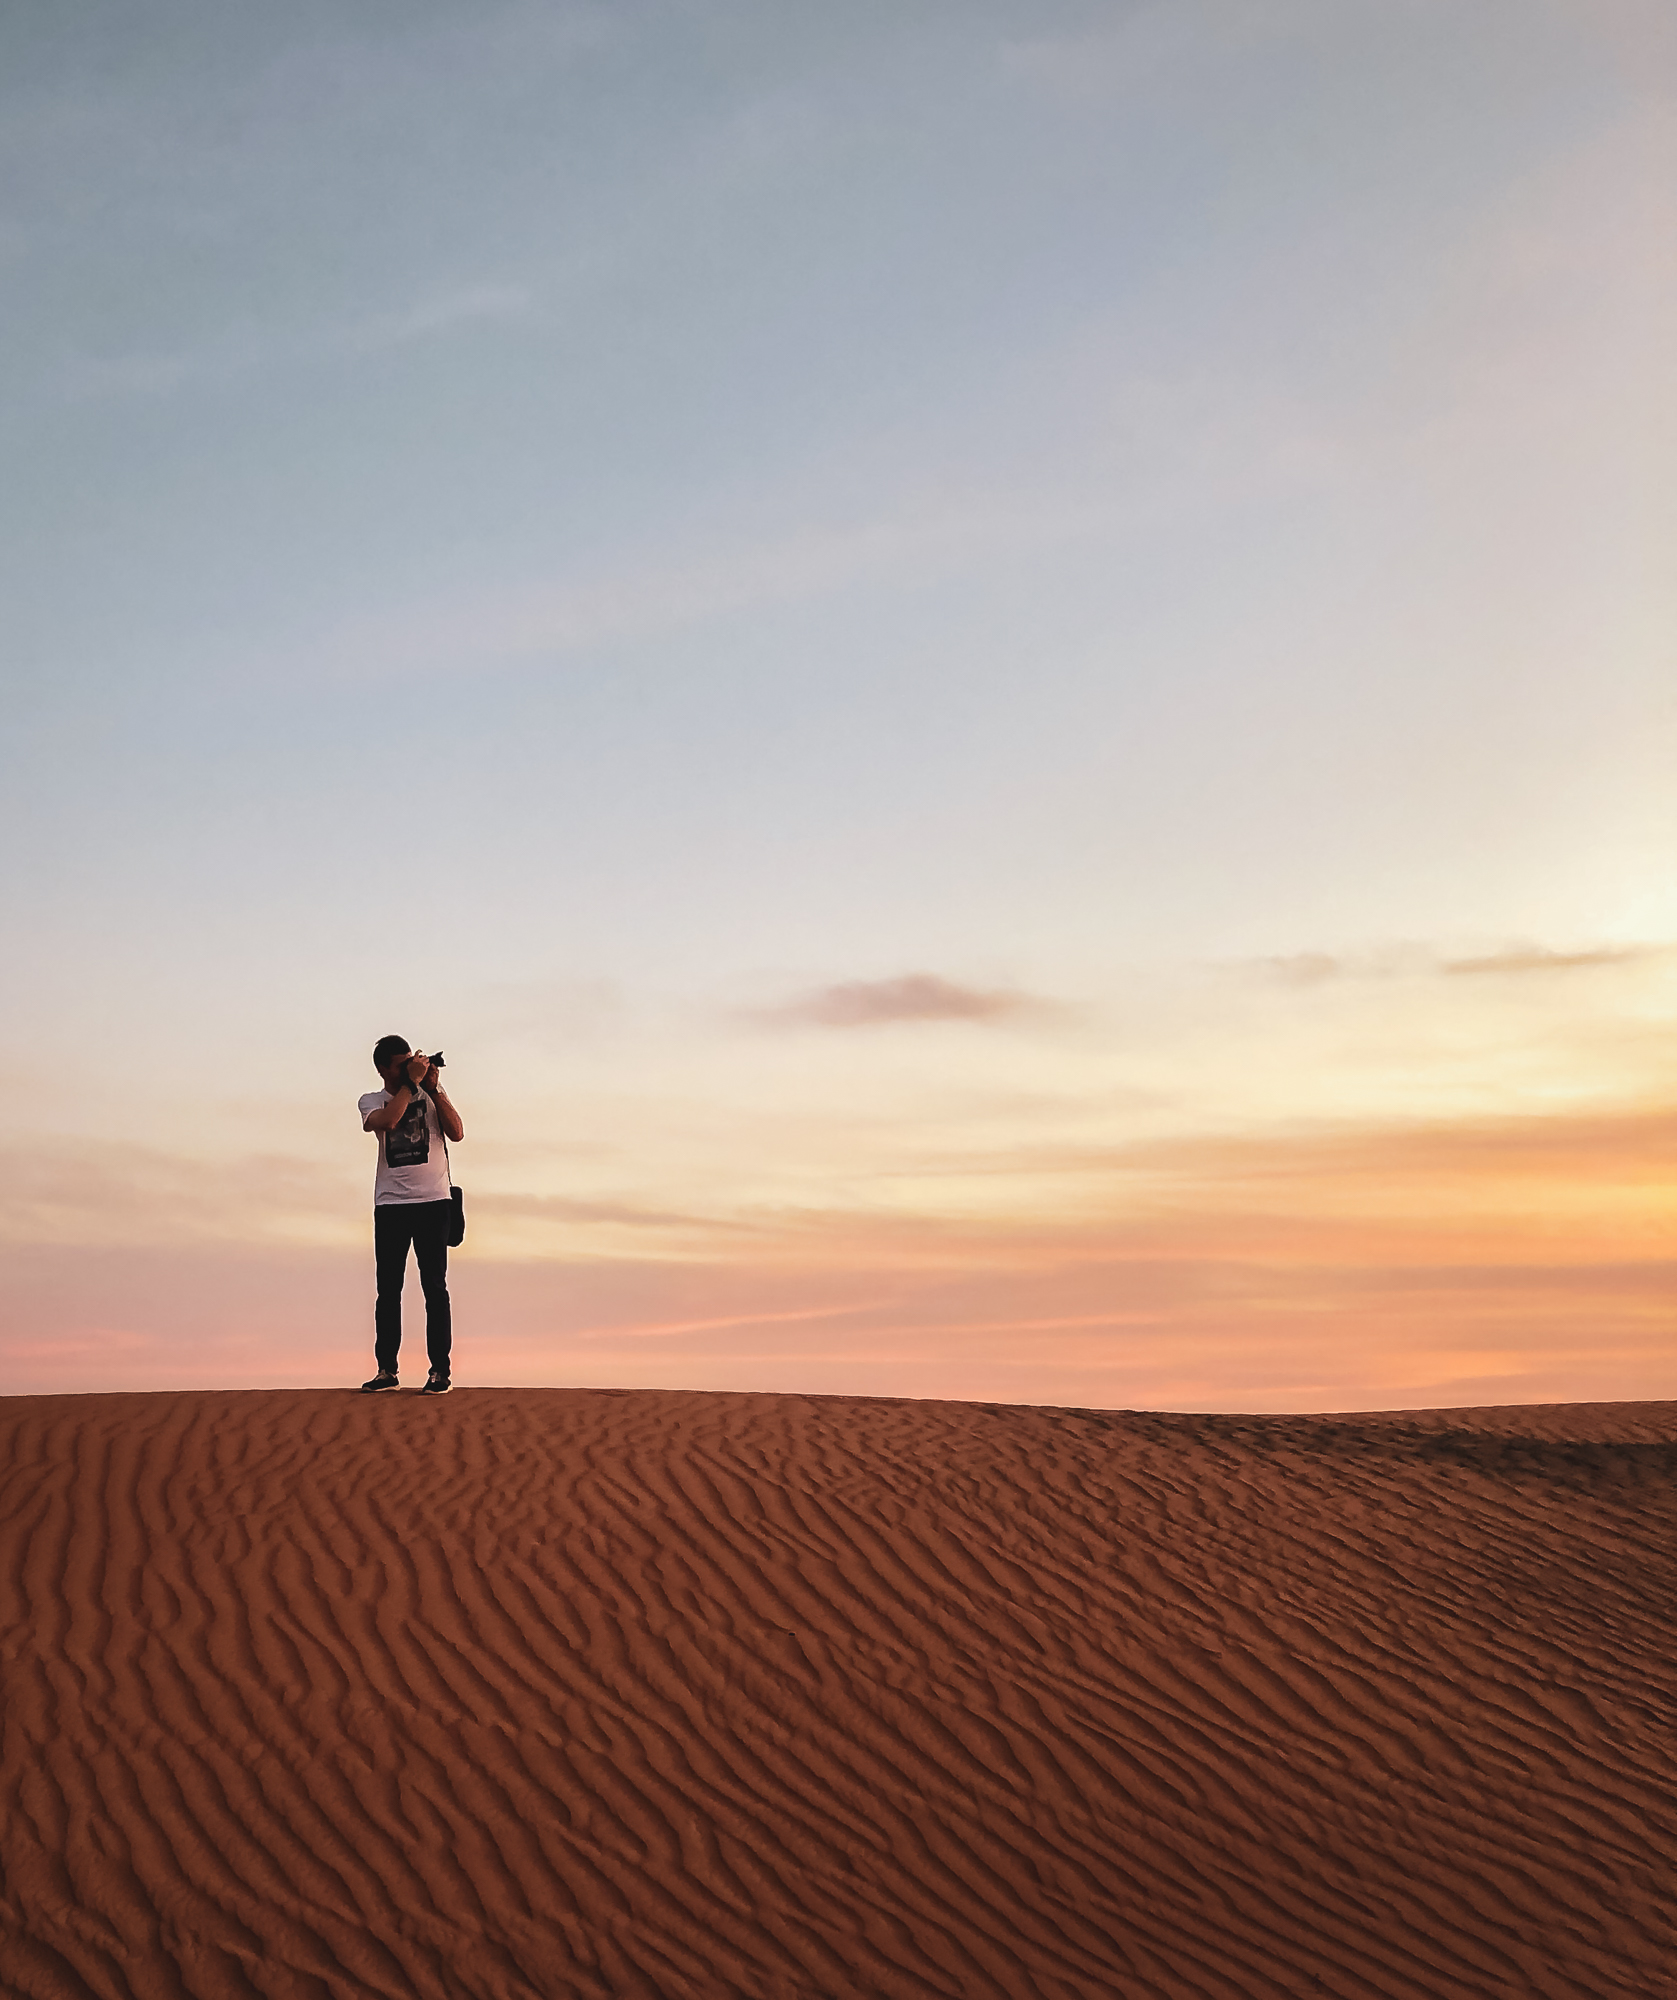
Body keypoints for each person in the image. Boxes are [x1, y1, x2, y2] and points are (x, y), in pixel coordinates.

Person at [357, 1035, 465, 1394]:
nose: (408, 1069)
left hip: (434, 1202)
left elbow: (457, 1132)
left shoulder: (429, 1095)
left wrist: (434, 1090)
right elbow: (387, 1122)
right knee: (388, 1291)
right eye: (400, 1065)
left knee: (435, 1288)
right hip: (391, 1206)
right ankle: (387, 1370)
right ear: (383, 1068)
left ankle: (440, 1372)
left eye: (411, 1062)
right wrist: (411, 1084)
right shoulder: (371, 1100)